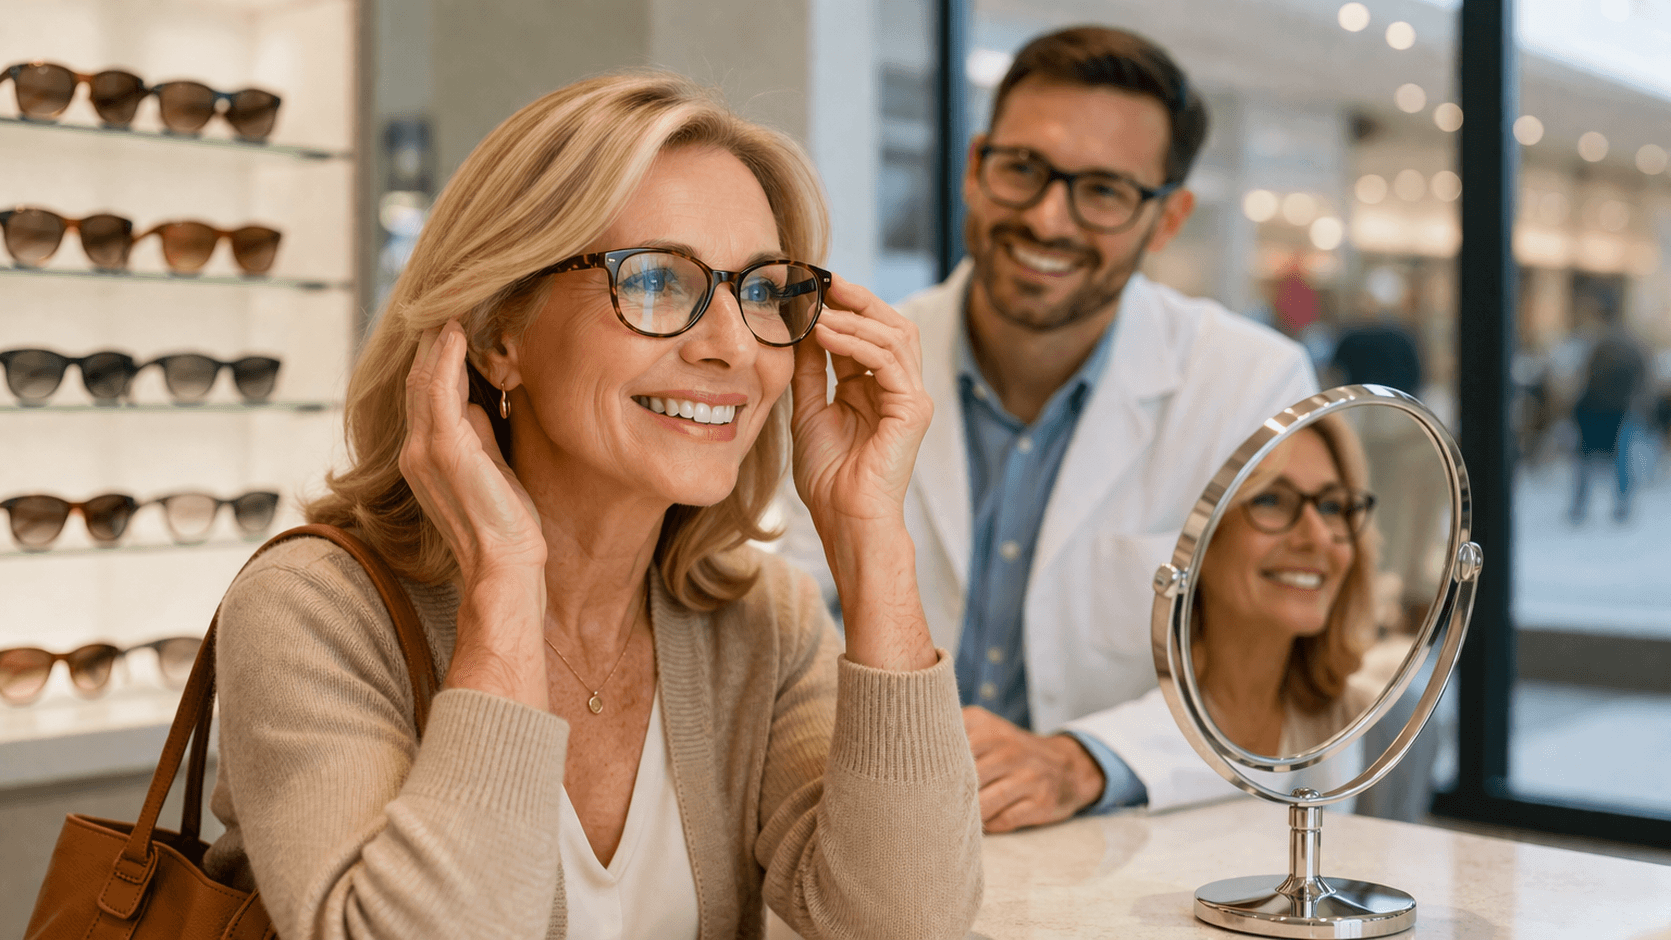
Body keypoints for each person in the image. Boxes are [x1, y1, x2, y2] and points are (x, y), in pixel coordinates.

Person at [202, 72, 982, 940]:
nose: (729, 346)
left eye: (761, 291)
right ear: (501, 333)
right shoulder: (314, 609)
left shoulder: (761, 619)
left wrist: (871, 539)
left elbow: (908, 921)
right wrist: (503, 585)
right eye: (654, 280)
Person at [780, 25, 1317, 828]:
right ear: (972, 168)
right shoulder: (849, 368)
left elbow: (1282, 675)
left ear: (1167, 219)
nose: (1047, 218)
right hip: (877, 828)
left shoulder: (1248, 384)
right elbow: (783, 615)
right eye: (1022, 169)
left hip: (1118, 860)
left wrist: (1083, 762)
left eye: (1102, 190)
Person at [1192, 418, 1384, 757]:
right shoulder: (1125, 722)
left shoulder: (1367, 723)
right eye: (1271, 500)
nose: (1318, 537)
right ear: (1199, 537)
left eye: (1331, 506)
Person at [1569, 303, 1648, 523]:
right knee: (1620, 460)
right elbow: (1642, 381)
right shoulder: (1632, 347)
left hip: (1598, 409)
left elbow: (1585, 378)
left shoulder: (1600, 346)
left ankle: (1580, 504)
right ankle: (1620, 505)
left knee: (1586, 459)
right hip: (1620, 410)